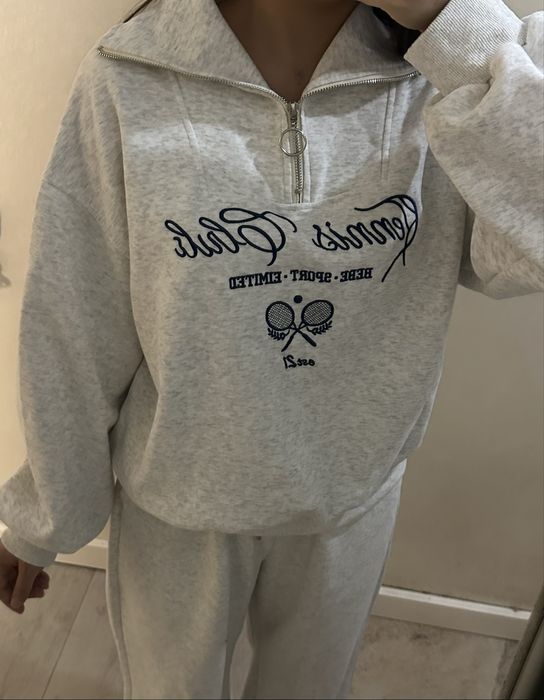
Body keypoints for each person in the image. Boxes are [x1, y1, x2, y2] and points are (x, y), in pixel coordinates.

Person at [0, 0, 542, 698]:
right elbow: (75, 321)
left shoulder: (448, 79)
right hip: (180, 507)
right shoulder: (127, 75)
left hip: (349, 497)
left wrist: (452, 24)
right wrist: (44, 515)